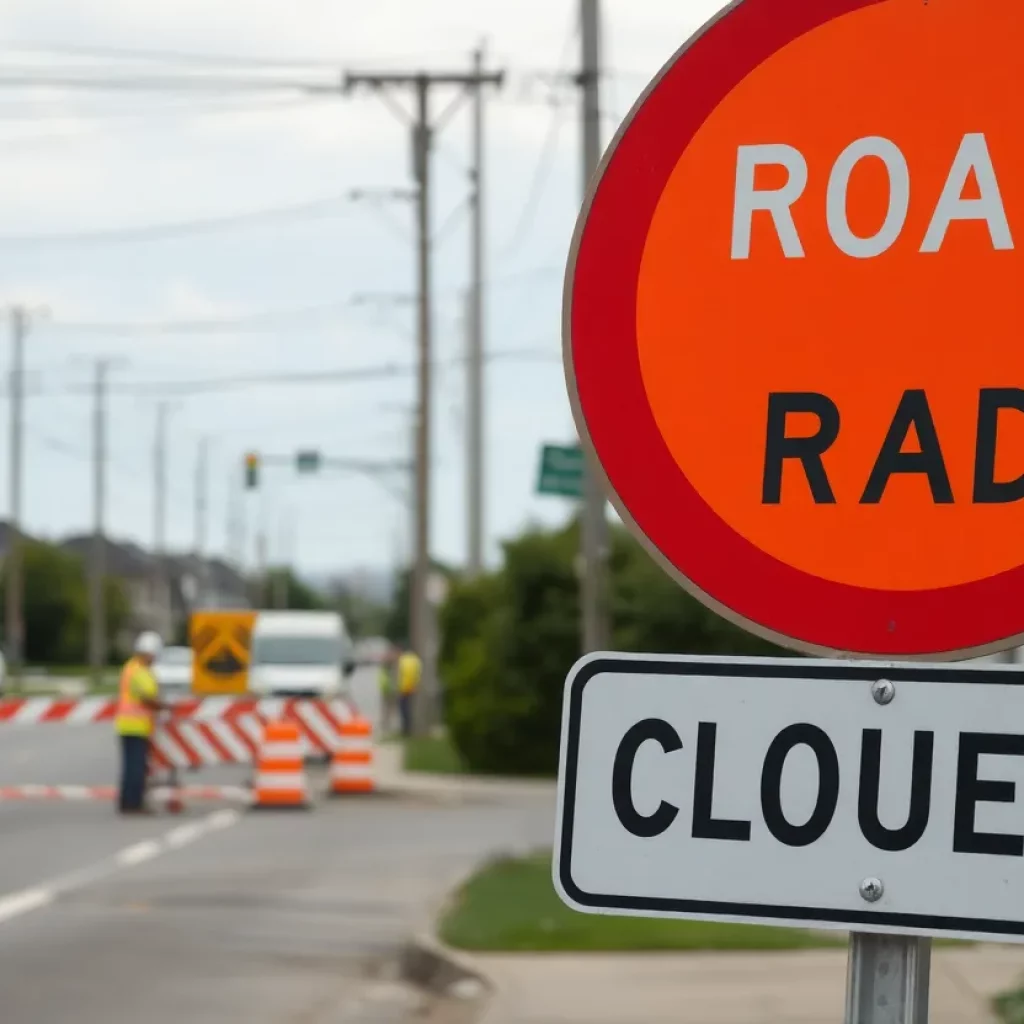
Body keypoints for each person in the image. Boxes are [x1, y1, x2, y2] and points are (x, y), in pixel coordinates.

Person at [115, 631, 165, 815]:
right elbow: (147, 698)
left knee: (133, 766)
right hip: (134, 726)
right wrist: (164, 706)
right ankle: (132, 803)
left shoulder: (135, 668)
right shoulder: (137, 670)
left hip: (135, 725)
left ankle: (129, 801)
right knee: (135, 768)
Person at [396, 647, 422, 738]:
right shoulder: (416, 660)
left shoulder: (402, 660)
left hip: (404, 689)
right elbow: (418, 674)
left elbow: (401, 674)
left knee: (404, 710)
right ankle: (411, 728)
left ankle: (406, 729)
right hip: (413, 688)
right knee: (410, 709)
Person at [377, 647, 398, 736]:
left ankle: (388, 724)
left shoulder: (392, 666)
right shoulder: (387, 666)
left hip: (390, 689)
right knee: (387, 708)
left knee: (390, 708)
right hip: (387, 690)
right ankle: (386, 724)